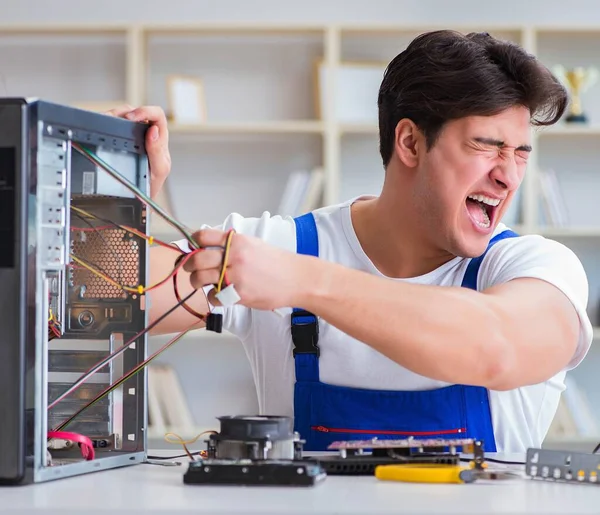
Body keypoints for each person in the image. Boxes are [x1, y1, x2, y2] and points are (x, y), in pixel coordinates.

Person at [112, 30, 593, 453]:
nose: (508, 176)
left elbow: (496, 347)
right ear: (409, 143)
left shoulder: (537, 269)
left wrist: (304, 281)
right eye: (486, 146)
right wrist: (119, 201)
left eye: (520, 153)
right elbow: (106, 299)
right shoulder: (282, 245)